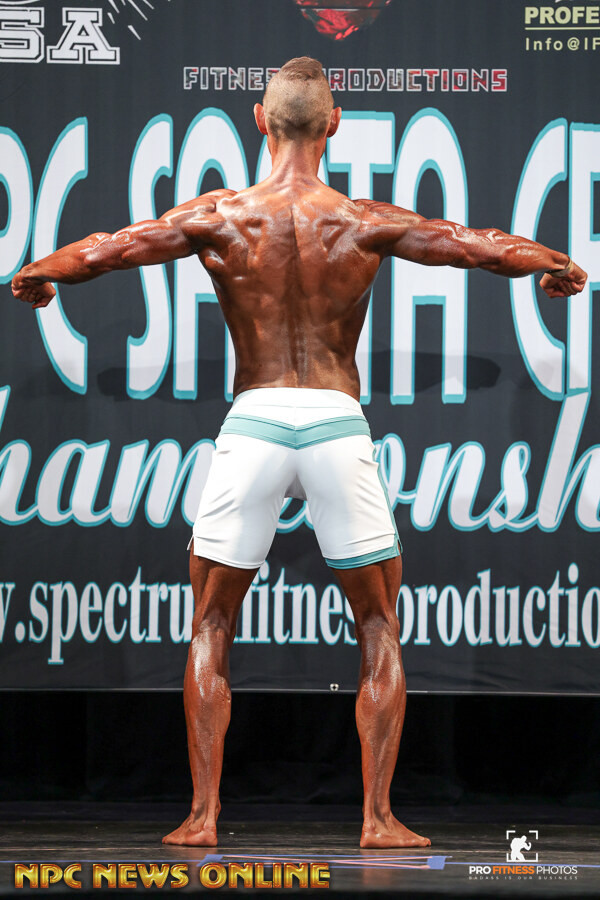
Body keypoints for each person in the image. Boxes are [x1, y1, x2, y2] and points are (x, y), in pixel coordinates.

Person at [12, 57, 587, 850]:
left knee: (212, 621)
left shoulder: (222, 213)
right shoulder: (361, 219)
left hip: (253, 422)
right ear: (334, 124)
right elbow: (470, 245)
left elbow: (115, 247)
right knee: (378, 623)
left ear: (260, 119)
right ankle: (378, 819)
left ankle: (203, 816)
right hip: (335, 423)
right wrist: (551, 262)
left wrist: (41, 272)